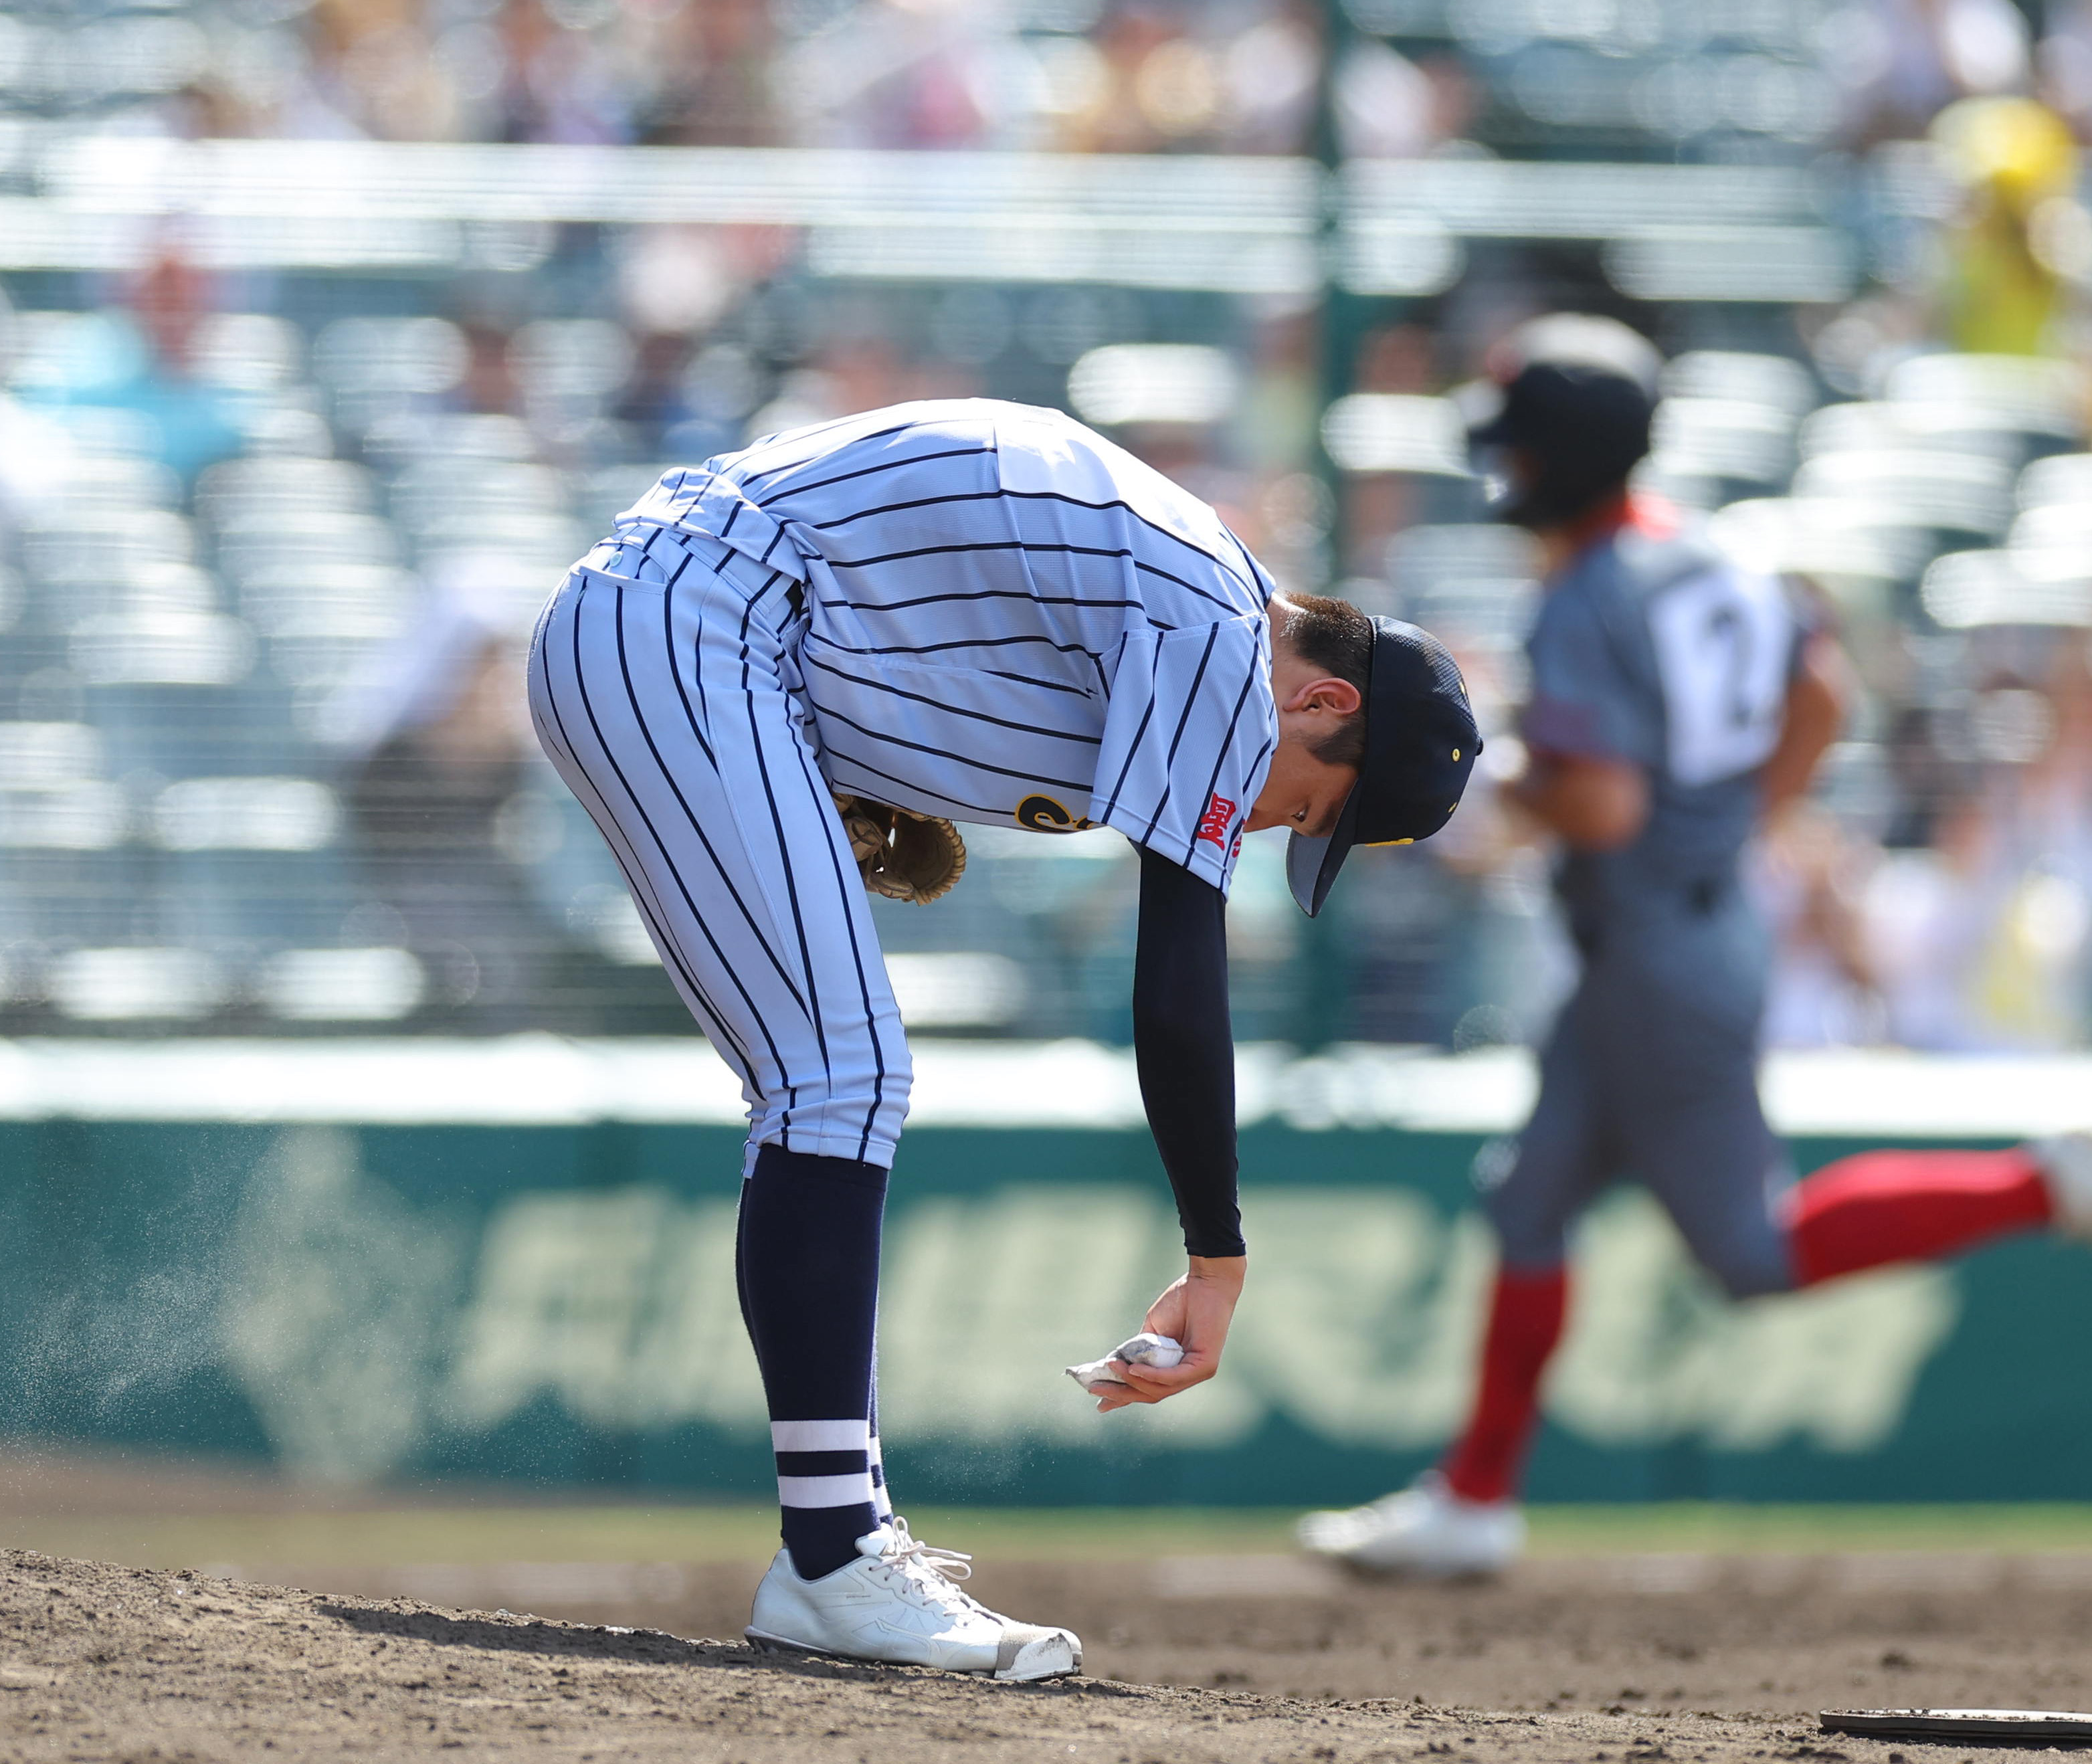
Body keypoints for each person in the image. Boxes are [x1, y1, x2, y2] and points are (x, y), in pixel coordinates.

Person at [527, 398, 1479, 1673]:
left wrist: (851, 769)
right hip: (690, 623)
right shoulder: (1214, 627)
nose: (1273, 830)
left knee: (827, 1081)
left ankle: (832, 1548)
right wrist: (1216, 1253)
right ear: (1314, 699)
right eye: (1307, 808)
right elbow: (1178, 977)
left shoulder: (1186, 608)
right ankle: (831, 1557)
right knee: (839, 1078)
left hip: (692, 621)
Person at [1296, 317, 2092, 1581]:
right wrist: (1735, 821)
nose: (1498, 471)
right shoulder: (1710, 553)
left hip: (1657, 946)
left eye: (1516, 447)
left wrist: (1497, 783)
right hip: (1670, 932)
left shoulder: (1587, 594)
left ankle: (2037, 1186)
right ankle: (1474, 1495)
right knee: (1534, 1195)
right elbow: (1820, 691)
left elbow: (1603, 804)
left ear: (1558, 458)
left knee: (1749, 1251)